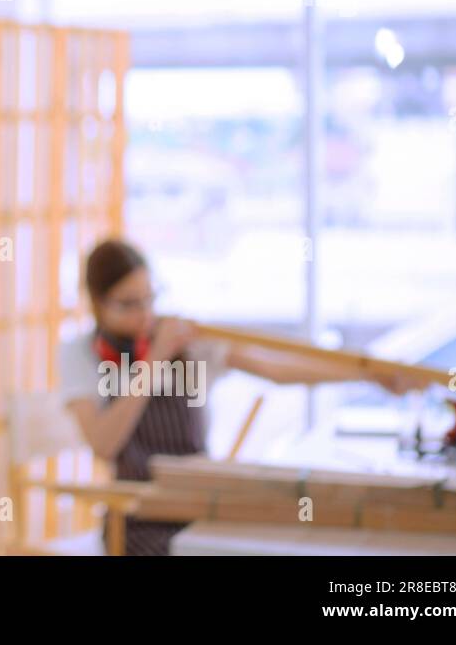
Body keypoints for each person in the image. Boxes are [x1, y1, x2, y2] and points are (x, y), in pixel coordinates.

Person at [58, 237, 423, 556]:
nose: (145, 315)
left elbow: (277, 368)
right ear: (96, 303)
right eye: (128, 304)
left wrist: (368, 375)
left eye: (149, 299)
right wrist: (154, 360)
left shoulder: (185, 341)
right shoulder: (80, 355)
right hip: (137, 513)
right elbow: (104, 444)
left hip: (202, 499)